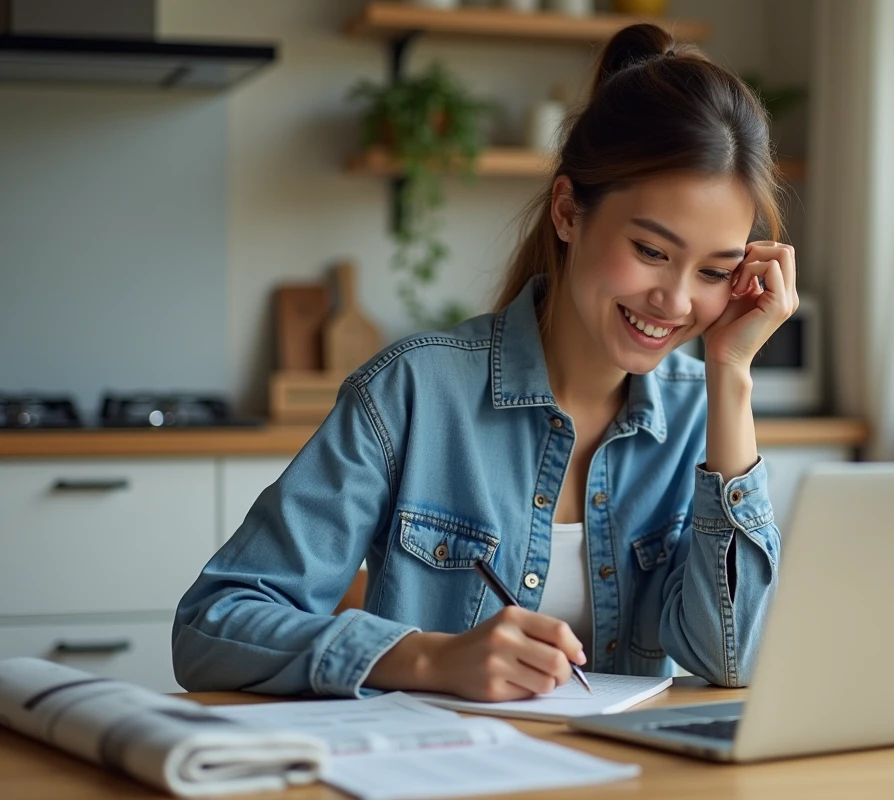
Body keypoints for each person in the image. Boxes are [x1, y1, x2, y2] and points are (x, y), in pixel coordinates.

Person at [173, 22, 798, 702]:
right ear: (568, 210)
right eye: (650, 251)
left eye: (714, 271)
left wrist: (731, 378)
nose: (676, 300)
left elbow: (730, 662)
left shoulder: (700, 414)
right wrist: (423, 659)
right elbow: (212, 625)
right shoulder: (411, 393)